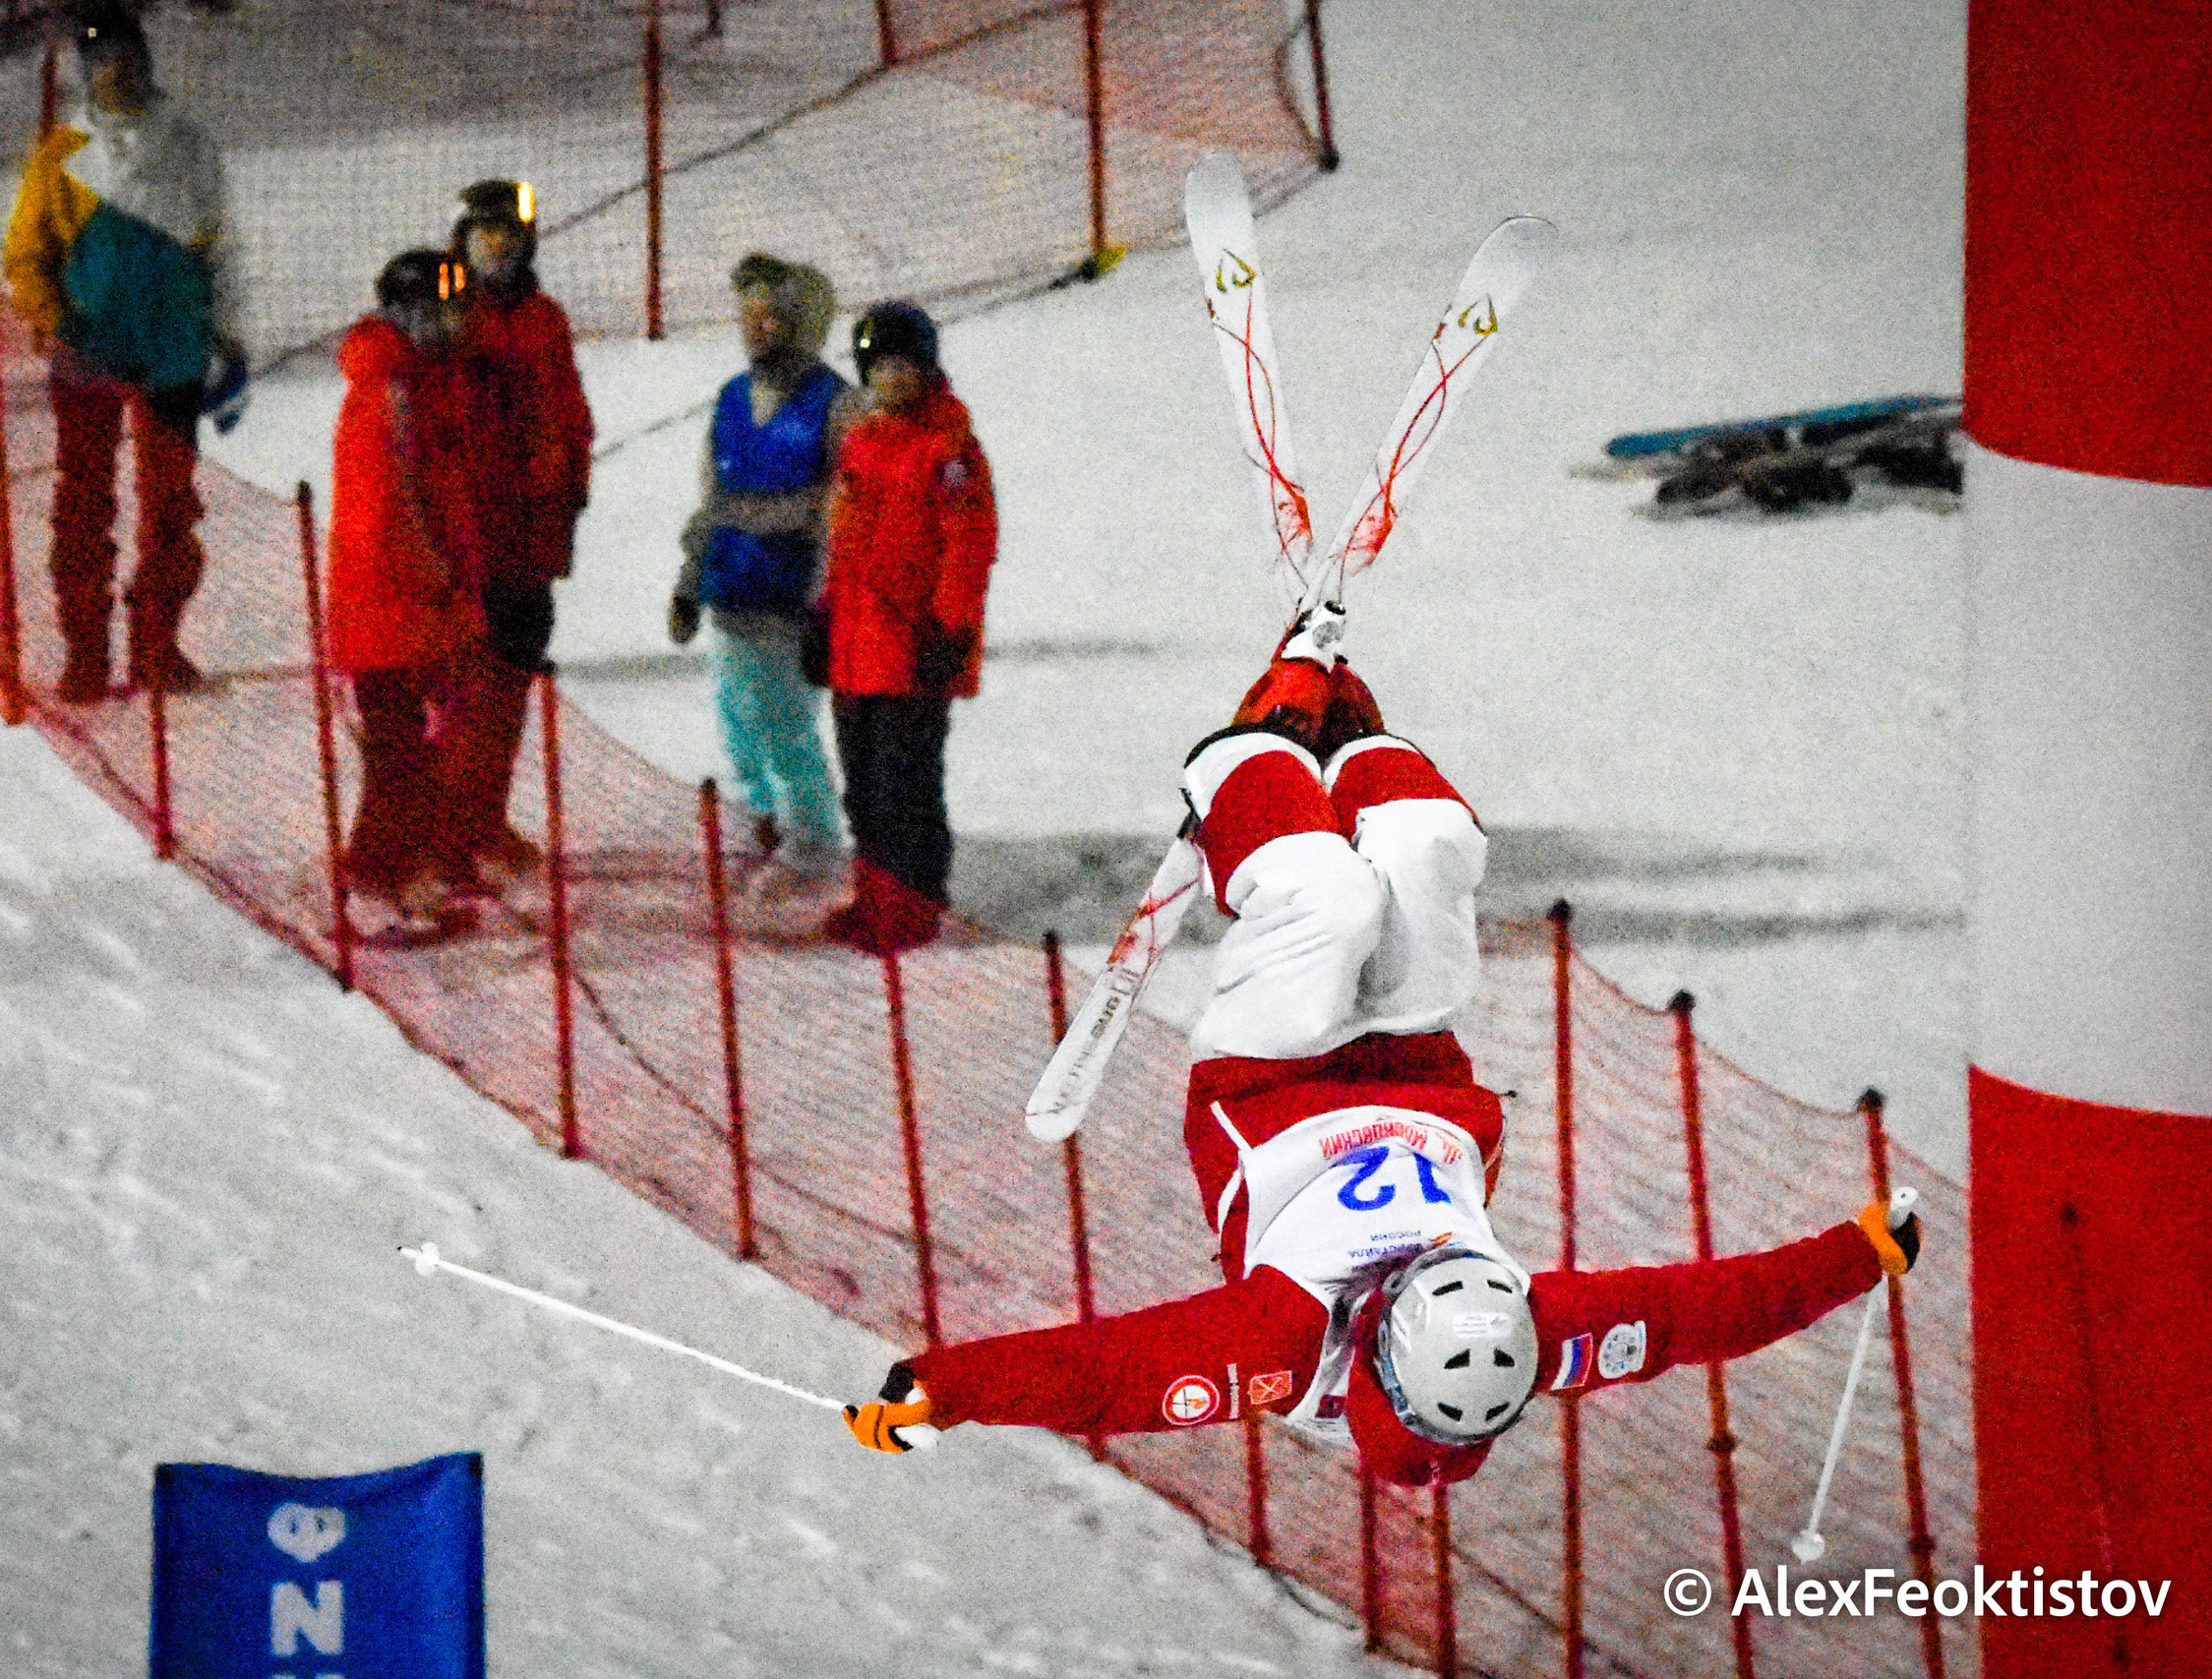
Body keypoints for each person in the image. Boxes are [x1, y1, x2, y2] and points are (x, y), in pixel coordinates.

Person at [843, 612, 1926, 1482]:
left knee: (1328, 901)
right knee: (1430, 847)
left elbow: (1106, 1374)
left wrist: (946, 1390)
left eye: (1412, 1291)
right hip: (1420, 1072)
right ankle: (1357, 745)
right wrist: (1858, 1254)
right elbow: (1708, 1312)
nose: (1426, 1271)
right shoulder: (1531, 1334)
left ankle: (1244, 761)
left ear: (1381, 1349)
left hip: (1267, 1083)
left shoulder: (1279, 1347)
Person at [2, 5, 239, 704]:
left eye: (129, 60)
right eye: (104, 63)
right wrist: (61, 323)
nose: (119, 74)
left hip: (173, 358)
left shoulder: (187, 147)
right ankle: (86, 651)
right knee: (83, 506)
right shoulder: (61, 153)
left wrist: (221, 333)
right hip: (89, 359)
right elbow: (24, 256)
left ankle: (156, 645)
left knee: (171, 508)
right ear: (88, 72)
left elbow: (216, 248)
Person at [324, 250, 499, 937]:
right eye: (450, 311)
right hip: (390, 610)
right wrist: (437, 579)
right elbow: (387, 514)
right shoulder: (386, 393)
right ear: (417, 313)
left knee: (417, 749)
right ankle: (379, 881)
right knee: (400, 754)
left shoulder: (420, 380)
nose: (463, 323)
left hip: (415, 607)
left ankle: (397, 868)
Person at [670, 253, 856, 891]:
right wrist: (689, 582)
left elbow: (843, 517)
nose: (756, 326)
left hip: (792, 597)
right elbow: (711, 500)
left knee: (785, 724)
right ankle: (764, 822)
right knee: (739, 722)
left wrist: (826, 607)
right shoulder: (730, 398)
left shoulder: (835, 405)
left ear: (802, 322)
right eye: (748, 314)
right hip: (732, 591)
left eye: (772, 315)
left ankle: (814, 840)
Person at [815, 300, 996, 953]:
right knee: (863, 785)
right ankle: (874, 899)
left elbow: (968, 546)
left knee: (906, 785)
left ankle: (914, 904)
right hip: (856, 647)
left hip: (913, 649)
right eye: (879, 368)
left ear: (925, 369)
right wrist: (824, 614)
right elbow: (843, 540)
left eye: (903, 367)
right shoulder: (863, 443)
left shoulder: (949, 449)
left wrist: (949, 631)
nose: (891, 380)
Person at [438, 178, 594, 889]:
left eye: (511, 234)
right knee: (462, 693)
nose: (499, 245)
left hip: (529, 537)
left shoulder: (544, 319)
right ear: (464, 242)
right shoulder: (447, 317)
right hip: (466, 540)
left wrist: (570, 492)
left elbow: (570, 414)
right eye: (486, 233)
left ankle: (483, 817)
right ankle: (447, 830)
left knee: (508, 686)